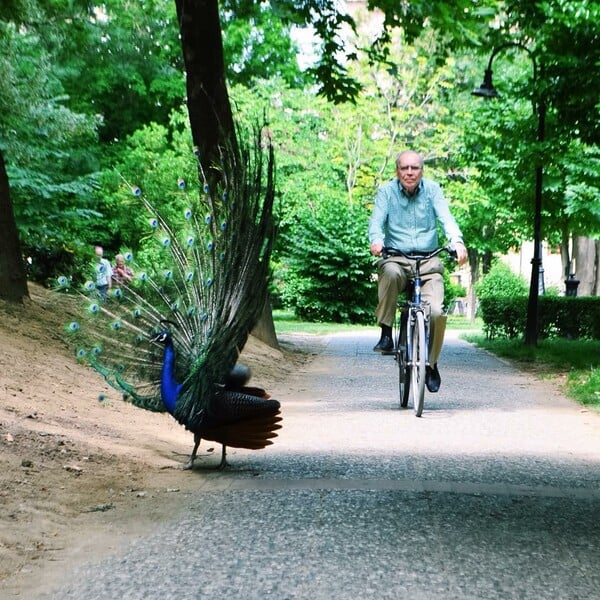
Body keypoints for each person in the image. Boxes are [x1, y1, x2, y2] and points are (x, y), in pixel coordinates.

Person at [368, 150, 468, 393]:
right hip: (397, 259)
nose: (409, 172)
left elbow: (446, 218)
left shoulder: (433, 190)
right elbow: (376, 222)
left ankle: (431, 363)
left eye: (414, 168)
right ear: (397, 171)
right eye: (404, 168)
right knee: (389, 273)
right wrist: (376, 240)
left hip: (428, 263)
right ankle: (385, 332)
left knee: (434, 312)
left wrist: (457, 241)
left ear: (422, 171)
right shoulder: (386, 192)